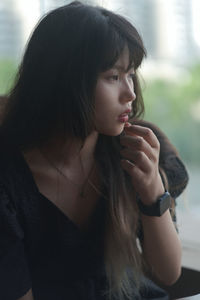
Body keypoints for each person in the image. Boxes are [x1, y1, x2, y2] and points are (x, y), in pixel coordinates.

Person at [0, 2, 188, 300]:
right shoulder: (10, 181)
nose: (131, 93)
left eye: (131, 74)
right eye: (113, 77)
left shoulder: (133, 151)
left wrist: (153, 190)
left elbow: (168, 272)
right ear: (64, 81)